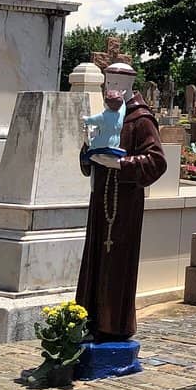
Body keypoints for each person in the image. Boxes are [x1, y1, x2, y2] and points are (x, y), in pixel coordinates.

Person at [76, 65, 166, 342]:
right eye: (108, 83)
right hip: (101, 197)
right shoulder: (108, 115)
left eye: (116, 83)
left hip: (124, 204)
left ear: (128, 85)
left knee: (117, 264)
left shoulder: (140, 119)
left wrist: (119, 163)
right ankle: (90, 321)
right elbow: (87, 155)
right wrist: (88, 153)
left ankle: (115, 326)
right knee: (96, 259)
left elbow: (156, 161)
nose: (110, 89)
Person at [81, 91, 126, 162]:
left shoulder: (103, 116)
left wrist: (82, 117)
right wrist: (122, 96)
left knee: (88, 150)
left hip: (101, 146)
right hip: (115, 146)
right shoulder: (120, 115)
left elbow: (89, 120)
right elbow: (123, 106)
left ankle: (86, 162)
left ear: (107, 104)